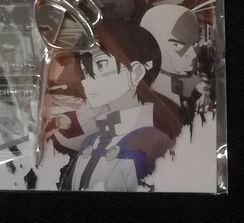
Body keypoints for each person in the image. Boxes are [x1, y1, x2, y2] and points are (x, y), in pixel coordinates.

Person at [59, 20, 174, 191]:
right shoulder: (92, 141)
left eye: (100, 65)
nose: (86, 82)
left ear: (136, 73)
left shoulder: (153, 144)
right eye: (85, 72)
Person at [140, 4, 209, 131]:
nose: (193, 54)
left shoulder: (194, 92)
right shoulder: (141, 101)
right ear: (151, 45)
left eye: (193, 44)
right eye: (178, 45)